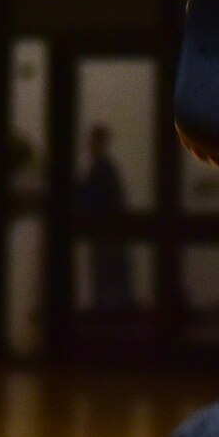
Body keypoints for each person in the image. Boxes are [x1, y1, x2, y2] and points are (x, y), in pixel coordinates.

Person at [75, 122, 133, 314]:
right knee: (109, 273)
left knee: (107, 272)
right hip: (107, 232)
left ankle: (109, 311)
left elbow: (94, 198)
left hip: (106, 231)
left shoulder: (102, 169)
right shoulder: (103, 169)